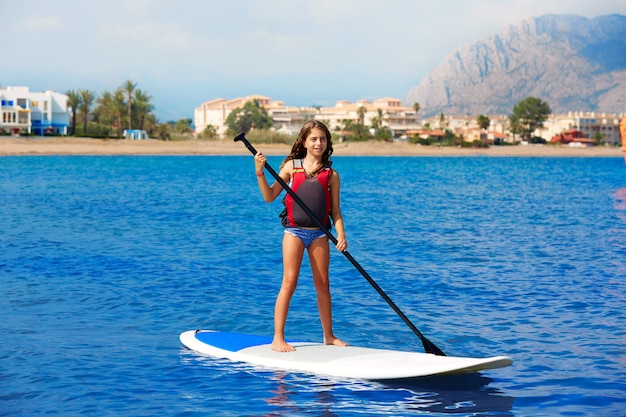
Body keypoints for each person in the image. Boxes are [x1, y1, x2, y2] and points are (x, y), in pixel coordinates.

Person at [253, 120, 349, 352]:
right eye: (314, 139)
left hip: (319, 234)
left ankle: (328, 335)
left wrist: (342, 235)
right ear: (304, 141)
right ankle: (278, 338)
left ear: (328, 143)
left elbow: (335, 211)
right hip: (294, 233)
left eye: (323, 139)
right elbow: (269, 197)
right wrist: (259, 171)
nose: (318, 143)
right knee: (289, 281)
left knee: (323, 284)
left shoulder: (331, 174)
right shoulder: (290, 167)